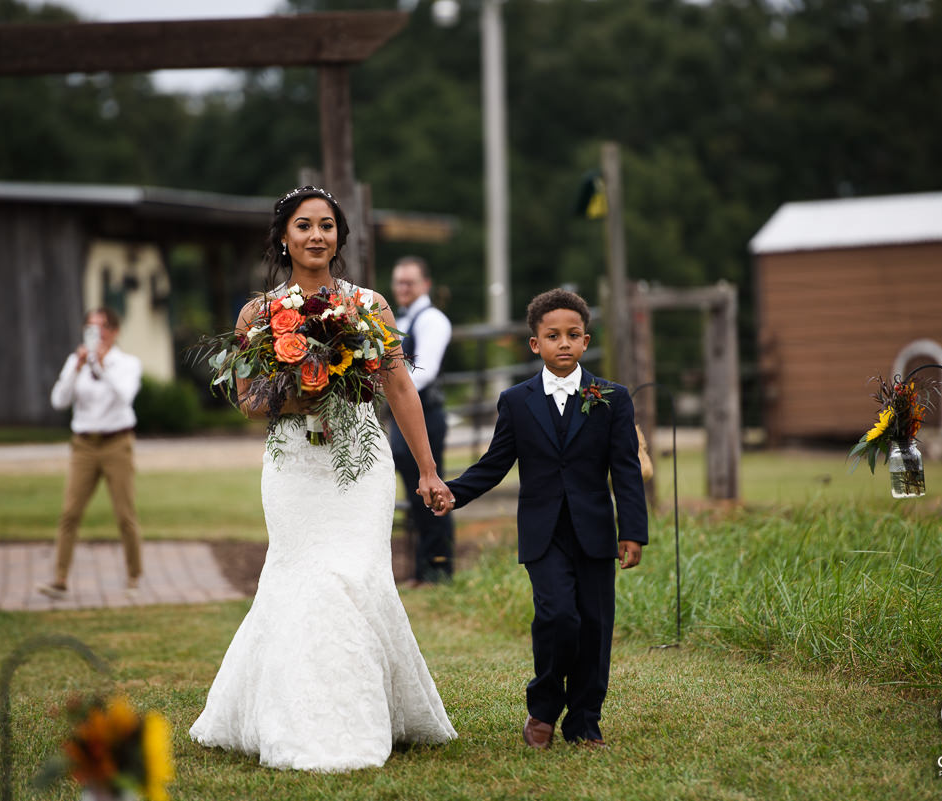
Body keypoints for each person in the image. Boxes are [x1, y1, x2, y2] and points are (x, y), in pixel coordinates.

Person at [189, 186, 458, 772]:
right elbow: (246, 398)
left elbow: (400, 387)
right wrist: (297, 392)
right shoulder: (258, 314)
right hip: (294, 468)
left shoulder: (370, 306)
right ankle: (299, 718)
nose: (317, 236)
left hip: (360, 465)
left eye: (328, 226)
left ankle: (361, 711)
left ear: (340, 236)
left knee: (355, 576)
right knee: (302, 578)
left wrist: (429, 470)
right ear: (284, 237)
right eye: (305, 225)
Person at [444, 288, 648, 749]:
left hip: (595, 532)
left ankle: (584, 722)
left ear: (586, 341)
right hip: (543, 533)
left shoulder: (611, 397)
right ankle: (542, 708)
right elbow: (494, 463)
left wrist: (633, 531)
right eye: (553, 335)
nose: (564, 343)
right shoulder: (516, 401)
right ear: (534, 343)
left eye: (573, 335)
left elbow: (627, 470)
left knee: (594, 628)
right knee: (558, 618)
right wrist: (452, 494)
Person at [37, 308, 143, 600]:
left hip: (116, 443)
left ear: (115, 331)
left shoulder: (127, 363)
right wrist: (78, 368)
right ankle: (59, 579)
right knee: (70, 512)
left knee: (125, 514)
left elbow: (126, 395)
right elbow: (59, 400)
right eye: (92, 328)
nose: (99, 333)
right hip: (84, 445)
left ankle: (134, 575)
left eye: (104, 327)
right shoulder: (76, 361)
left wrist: (100, 367)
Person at [389, 256, 456, 585]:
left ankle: (439, 567)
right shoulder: (403, 319)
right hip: (405, 416)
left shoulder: (432, 321)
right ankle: (423, 569)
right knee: (417, 495)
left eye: (409, 282)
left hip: (425, 417)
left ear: (425, 284)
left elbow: (423, 372)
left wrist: (392, 392)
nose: (403, 287)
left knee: (432, 490)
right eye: (398, 282)